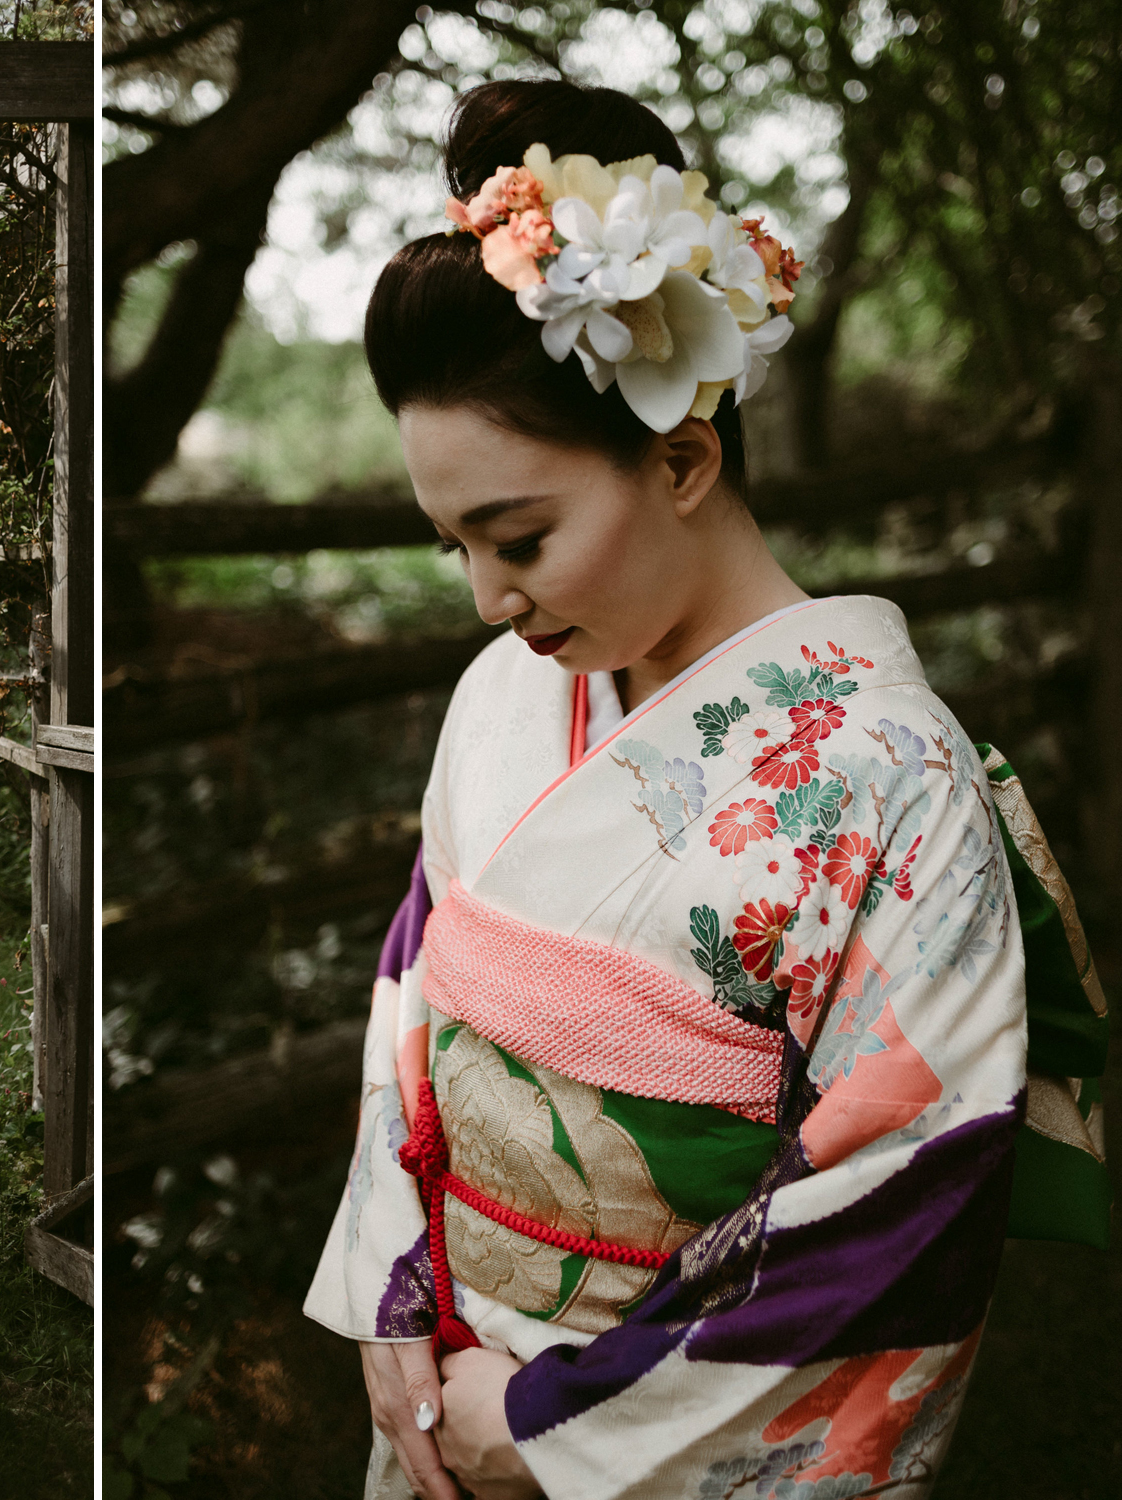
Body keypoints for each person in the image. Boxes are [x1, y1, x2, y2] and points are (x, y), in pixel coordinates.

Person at [302, 80, 1109, 1499]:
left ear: (683, 457)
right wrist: (398, 1292)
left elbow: (896, 1210)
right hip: (439, 1390)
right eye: (455, 550)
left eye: (522, 536)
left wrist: (552, 1421)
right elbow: (414, 994)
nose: (493, 598)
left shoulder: (890, 780)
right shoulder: (506, 694)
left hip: (648, 1418)